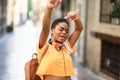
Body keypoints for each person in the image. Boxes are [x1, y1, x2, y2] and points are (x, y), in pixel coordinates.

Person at [35, 0, 83, 80]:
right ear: (52, 30)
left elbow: (78, 29)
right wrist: (49, 8)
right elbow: (45, 29)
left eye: (67, 31)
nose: (64, 32)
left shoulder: (66, 48)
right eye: (61, 29)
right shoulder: (44, 47)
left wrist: (76, 18)